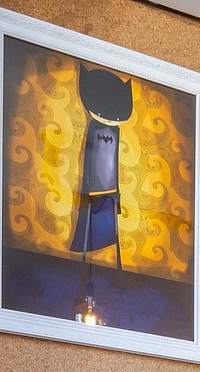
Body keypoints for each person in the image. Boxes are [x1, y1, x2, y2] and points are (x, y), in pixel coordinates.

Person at [70, 64, 133, 266]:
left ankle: (114, 260)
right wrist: (87, 191)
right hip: (94, 191)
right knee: (89, 227)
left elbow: (112, 163)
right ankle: (84, 259)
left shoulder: (115, 131)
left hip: (110, 191)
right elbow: (91, 162)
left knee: (109, 229)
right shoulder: (95, 128)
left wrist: (117, 193)